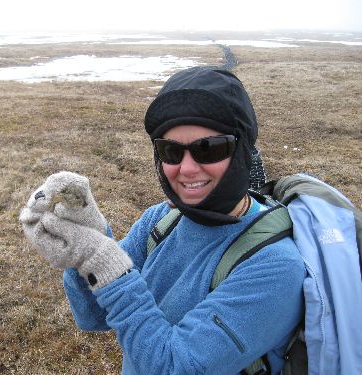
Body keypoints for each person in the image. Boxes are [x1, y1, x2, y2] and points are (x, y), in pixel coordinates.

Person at [19, 67, 305, 375]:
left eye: (208, 149)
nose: (187, 168)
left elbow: (174, 367)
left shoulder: (274, 267)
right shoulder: (161, 219)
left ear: (243, 150)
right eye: (170, 151)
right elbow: (94, 317)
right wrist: (88, 239)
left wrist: (101, 259)